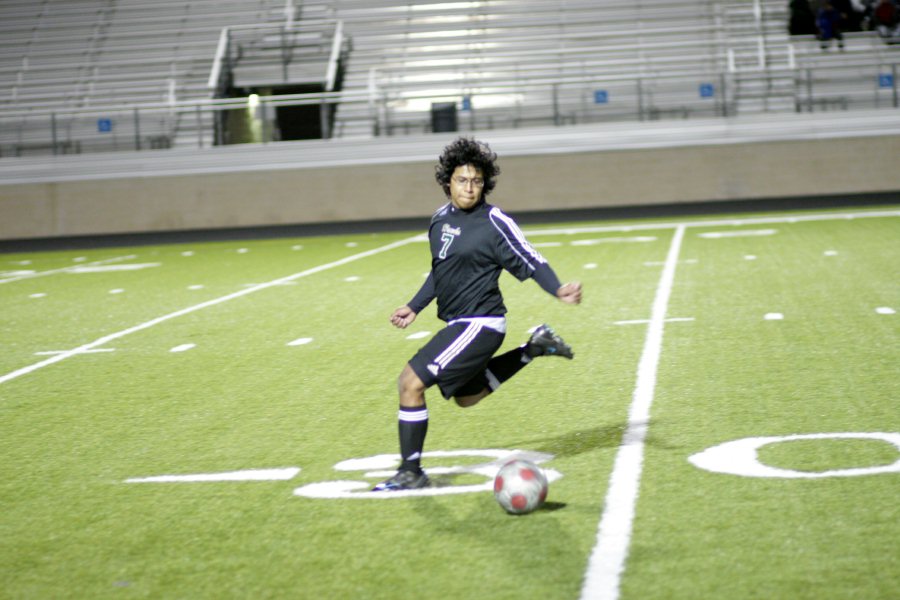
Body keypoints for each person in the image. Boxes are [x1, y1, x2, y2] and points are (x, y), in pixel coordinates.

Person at [372, 137, 583, 492]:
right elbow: (440, 271)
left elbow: (531, 259)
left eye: (477, 181)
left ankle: (411, 472)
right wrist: (414, 306)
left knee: (410, 383)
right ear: (447, 182)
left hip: (480, 323)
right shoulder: (439, 220)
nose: (470, 188)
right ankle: (534, 348)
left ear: (485, 183)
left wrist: (557, 288)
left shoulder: (495, 222)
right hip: (460, 323)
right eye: (462, 180)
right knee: (467, 397)